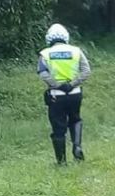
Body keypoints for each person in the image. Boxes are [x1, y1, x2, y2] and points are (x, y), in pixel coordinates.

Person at [37, 24, 91, 164]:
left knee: (58, 127)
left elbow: (43, 73)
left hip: (56, 95)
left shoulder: (45, 54)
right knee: (75, 119)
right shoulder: (76, 51)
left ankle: (61, 161)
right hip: (75, 93)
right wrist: (72, 84)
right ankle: (77, 147)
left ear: (49, 38)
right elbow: (86, 71)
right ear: (66, 37)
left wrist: (58, 85)